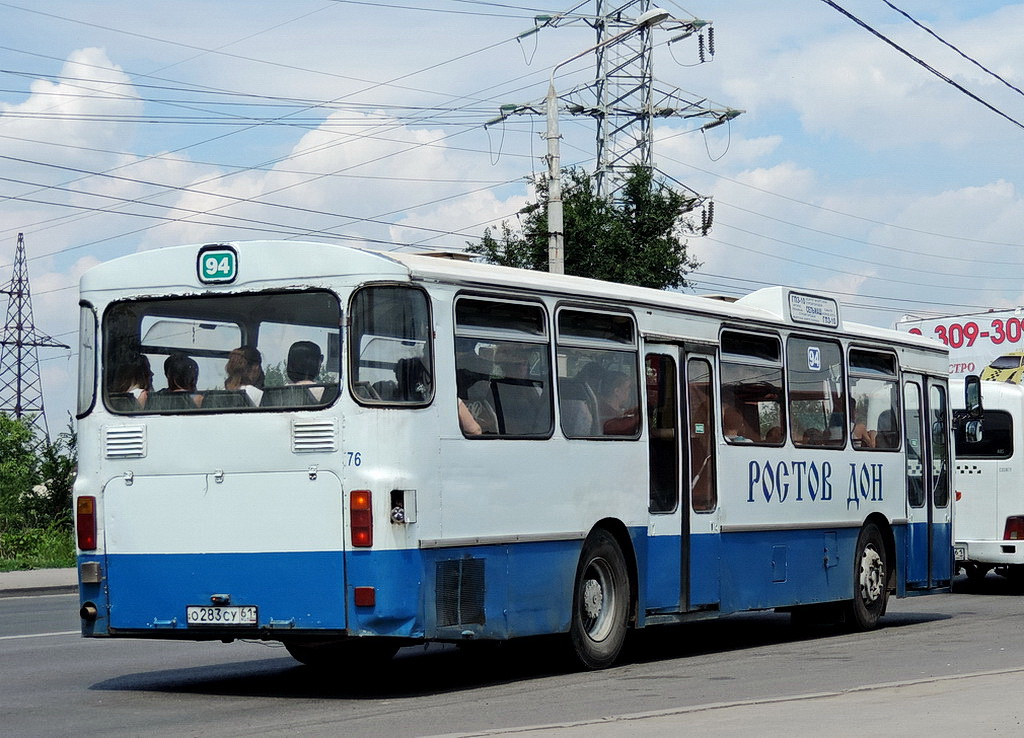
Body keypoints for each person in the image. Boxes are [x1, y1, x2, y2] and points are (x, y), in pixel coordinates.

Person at [599, 371, 639, 435]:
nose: (630, 391)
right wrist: (637, 418)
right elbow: (614, 427)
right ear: (617, 391)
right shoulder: (604, 411)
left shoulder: (618, 408)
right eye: (628, 387)